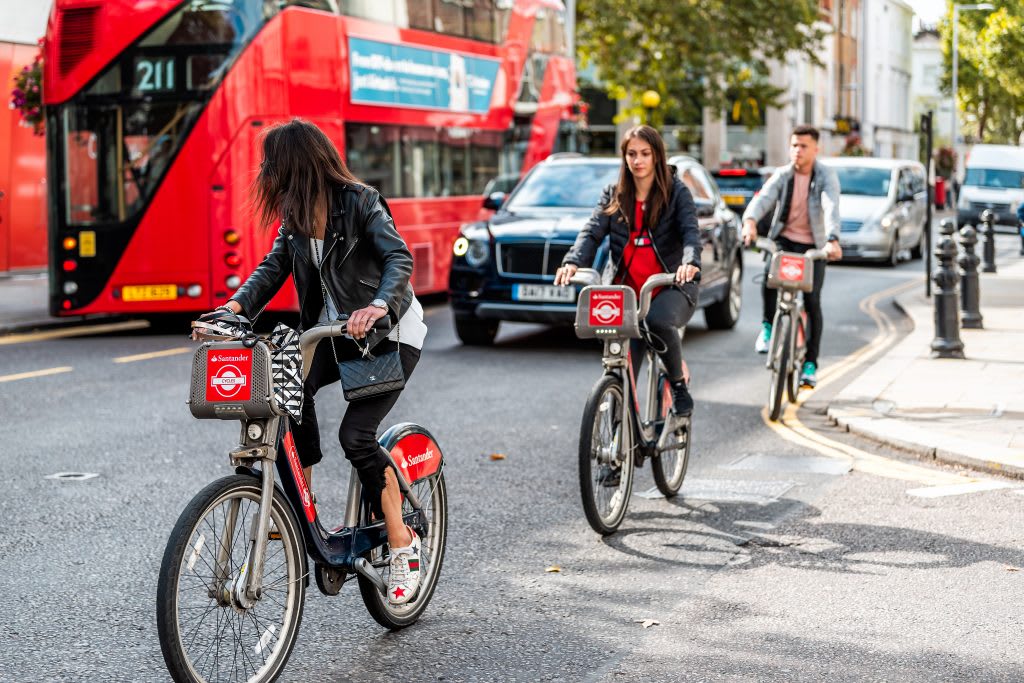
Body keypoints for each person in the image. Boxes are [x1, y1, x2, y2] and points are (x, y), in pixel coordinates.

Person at [194, 119, 429, 605]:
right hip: (328, 335)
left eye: (271, 163)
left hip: (384, 334)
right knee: (284, 395)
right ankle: (304, 499)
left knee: (357, 437)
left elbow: (398, 260)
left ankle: (403, 541)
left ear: (296, 163)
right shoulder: (294, 213)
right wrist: (232, 310)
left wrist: (379, 306)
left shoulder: (362, 201)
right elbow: (272, 268)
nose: (265, 172)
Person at [554, 125, 701, 416]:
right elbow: (592, 233)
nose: (638, 161)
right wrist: (572, 261)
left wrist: (690, 263)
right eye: (631, 154)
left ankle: (678, 384)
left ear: (657, 156)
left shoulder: (677, 193)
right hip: (627, 290)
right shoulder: (614, 194)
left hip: (671, 286)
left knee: (657, 322)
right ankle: (621, 436)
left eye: (645, 154)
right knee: (622, 366)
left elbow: (690, 234)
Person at [741, 124, 842, 388]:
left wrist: (832, 239)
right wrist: (750, 222)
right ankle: (767, 326)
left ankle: (810, 364)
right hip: (785, 240)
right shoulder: (782, 174)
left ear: (816, 149)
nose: (798, 151)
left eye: (804, 146)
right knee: (768, 278)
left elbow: (831, 205)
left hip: (815, 246)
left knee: (812, 303)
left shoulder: (825, 175)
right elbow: (764, 198)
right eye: (794, 145)